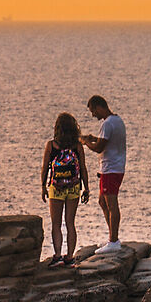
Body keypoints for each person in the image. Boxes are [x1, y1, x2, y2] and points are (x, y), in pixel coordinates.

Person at [40, 112, 89, 266]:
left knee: (56, 223)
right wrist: (86, 188)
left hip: (56, 187)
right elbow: (83, 168)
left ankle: (57, 255)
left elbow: (45, 168)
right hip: (73, 187)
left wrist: (43, 186)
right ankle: (70, 256)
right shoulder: (77, 146)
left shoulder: (51, 145)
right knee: (70, 223)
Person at [81, 94, 126, 246]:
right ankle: (112, 237)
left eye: (93, 111)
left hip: (111, 169)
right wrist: (93, 138)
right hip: (113, 168)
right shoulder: (117, 120)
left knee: (111, 203)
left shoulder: (107, 124)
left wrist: (87, 142)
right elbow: (106, 141)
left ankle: (113, 241)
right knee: (102, 201)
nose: (93, 115)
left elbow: (99, 147)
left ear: (99, 107)